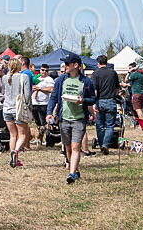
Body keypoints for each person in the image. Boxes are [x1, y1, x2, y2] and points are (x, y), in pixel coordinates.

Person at [46, 53, 96, 184]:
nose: (65, 66)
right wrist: (49, 112)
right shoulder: (60, 80)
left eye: (67, 64)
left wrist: (83, 100)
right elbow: (53, 98)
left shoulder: (86, 81)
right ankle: (76, 169)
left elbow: (93, 98)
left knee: (75, 146)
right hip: (64, 118)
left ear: (76, 65)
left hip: (79, 118)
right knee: (68, 147)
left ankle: (72, 174)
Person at [2, 58, 31, 168]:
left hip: (7, 109)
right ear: (19, 66)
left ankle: (13, 157)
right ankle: (16, 151)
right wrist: (28, 107)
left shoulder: (5, 78)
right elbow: (27, 95)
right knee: (22, 134)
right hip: (18, 109)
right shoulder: (24, 77)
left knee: (12, 135)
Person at [92, 55, 120, 155]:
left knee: (99, 125)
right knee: (110, 126)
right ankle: (106, 144)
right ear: (106, 63)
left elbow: (94, 91)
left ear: (98, 63)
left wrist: (94, 103)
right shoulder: (113, 73)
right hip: (111, 101)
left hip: (100, 101)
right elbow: (117, 89)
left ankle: (101, 145)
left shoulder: (95, 74)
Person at [31, 65, 54, 145]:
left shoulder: (49, 79)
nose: (44, 72)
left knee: (45, 123)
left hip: (43, 103)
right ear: (40, 70)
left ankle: (48, 139)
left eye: (46, 70)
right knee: (38, 123)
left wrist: (40, 89)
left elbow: (51, 89)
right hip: (34, 103)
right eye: (42, 70)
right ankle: (39, 139)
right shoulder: (36, 78)